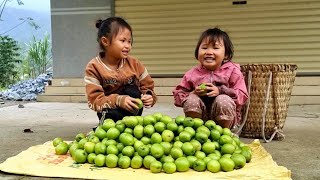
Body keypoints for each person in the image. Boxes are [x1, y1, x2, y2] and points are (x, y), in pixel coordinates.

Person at [172, 27, 248, 133]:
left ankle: (223, 135)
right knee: (191, 99)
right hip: (201, 119)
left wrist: (221, 91)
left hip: (226, 120)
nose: (209, 52)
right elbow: (178, 96)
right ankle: (195, 131)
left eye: (215, 48)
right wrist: (194, 93)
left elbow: (242, 96)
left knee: (223, 100)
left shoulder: (233, 71)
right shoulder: (192, 74)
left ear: (226, 54)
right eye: (204, 48)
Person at [84, 16, 157, 123]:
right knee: (110, 127)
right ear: (105, 41)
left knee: (132, 90)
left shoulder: (134, 64)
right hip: (109, 117)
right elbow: (94, 100)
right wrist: (118, 100)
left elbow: (148, 86)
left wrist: (149, 96)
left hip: (133, 118)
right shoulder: (94, 67)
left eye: (129, 41)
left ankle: (132, 124)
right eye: (123, 41)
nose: (127, 46)